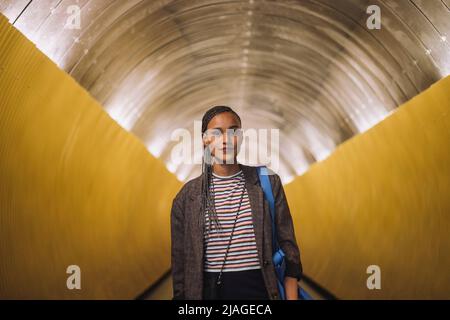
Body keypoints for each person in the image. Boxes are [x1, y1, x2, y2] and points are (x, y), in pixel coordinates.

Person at [170, 105, 303, 300]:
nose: (225, 140)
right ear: (205, 140)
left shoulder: (267, 182)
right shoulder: (186, 198)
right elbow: (180, 270)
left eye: (233, 132)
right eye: (216, 133)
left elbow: (289, 252)